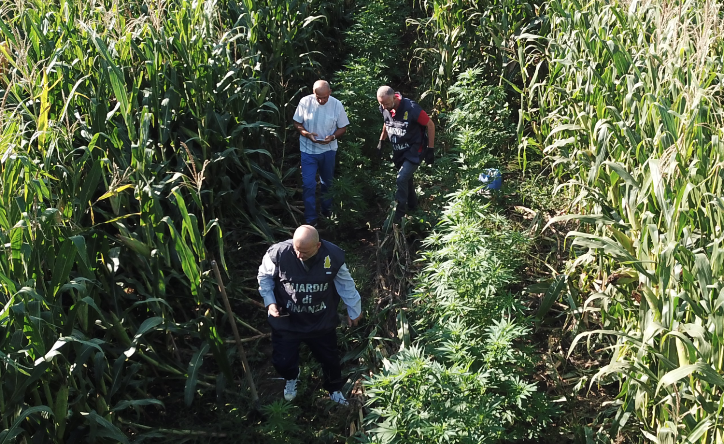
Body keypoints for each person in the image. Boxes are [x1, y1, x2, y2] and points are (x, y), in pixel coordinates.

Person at [257, 225, 362, 405]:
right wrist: (270, 302)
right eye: (296, 250)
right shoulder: (278, 254)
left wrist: (354, 309)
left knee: (330, 360)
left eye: (304, 252)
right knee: (282, 361)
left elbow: (346, 284)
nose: (299, 256)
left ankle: (334, 389)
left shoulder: (333, 257)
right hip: (287, 320)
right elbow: (264, 277)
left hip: (320, 319)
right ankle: (291, 377)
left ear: (318, 246)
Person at [293, 80, 350, 226]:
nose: (321, 100)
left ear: (330, 93)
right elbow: (297, 123)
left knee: (327, 183)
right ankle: (311, 219)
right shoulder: (305, 102)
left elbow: (343, 127)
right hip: (308, 151)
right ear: (314, 93)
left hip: (329, 150)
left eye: (324, 97)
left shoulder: (336, 104)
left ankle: (327, 213)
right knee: (308, 185)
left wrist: (333, 137)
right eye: (318, 97)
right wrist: (306, 134)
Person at [376, 86, 435, 222]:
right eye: (381, 104)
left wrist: (430, 149)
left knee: (401, 178)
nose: (383, 107)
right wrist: (381, 141)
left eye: (386, 103)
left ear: (394, 97)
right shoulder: (385, 107)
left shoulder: (412, 108)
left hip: (415, 150)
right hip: (399, 151)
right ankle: (414, 206)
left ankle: (399, 215)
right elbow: (387, 122)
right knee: (407, 179)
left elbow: (430, 125)